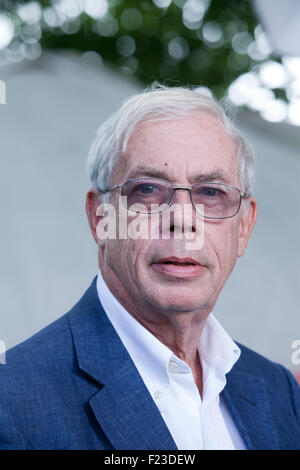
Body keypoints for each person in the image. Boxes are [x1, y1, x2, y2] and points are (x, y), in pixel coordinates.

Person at [0, 85, 299, 450]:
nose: (182, 220)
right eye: (148, 190)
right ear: (101, 217)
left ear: (244, 227)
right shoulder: (12, 402)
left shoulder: (279, 392)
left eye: (210, 192)